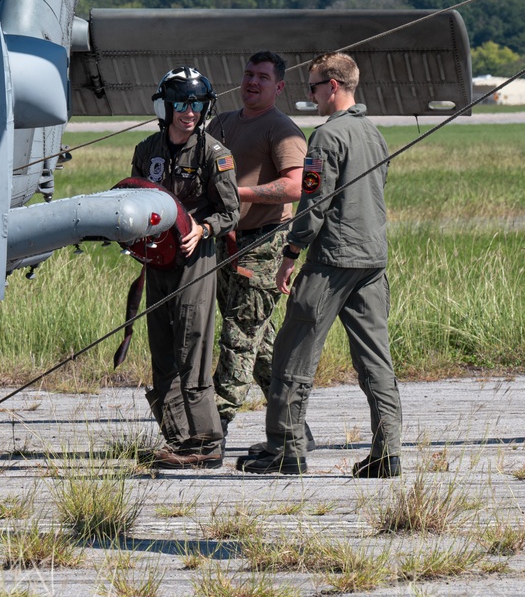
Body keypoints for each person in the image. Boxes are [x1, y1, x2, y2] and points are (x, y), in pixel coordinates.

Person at [237, 52, 403, 477]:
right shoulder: (373, 133)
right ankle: (388, 453)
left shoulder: (325, 139)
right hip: (372, 260)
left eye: (312, 88)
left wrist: (290, 255)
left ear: (332, 86)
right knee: (375, 361)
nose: (310, 97)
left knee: (292, 356)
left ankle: (286, 450)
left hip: (331, 261)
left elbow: (313, 204)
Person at [131, 66, 240, 469]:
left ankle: (208, 441)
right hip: (156, 260)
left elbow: (231, 210)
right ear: (167, 107)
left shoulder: (215, 154)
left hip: (196, 259)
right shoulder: (147, 150)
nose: (188, 112)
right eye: (181, 104)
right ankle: (179, 441)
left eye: (195, 104)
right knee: (162, 350)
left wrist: (204, 226)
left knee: (192, 348)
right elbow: (135, 195)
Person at [205, 51, 312, 447]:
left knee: (239, 337)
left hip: (263, 246)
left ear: (278, 86)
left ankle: (212, 433)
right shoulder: (222, 124)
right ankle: (294, 432)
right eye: (248, 74)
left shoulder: (282, 131)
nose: (252, 82)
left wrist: (239, 194)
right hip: (225, 243)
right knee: (262, 350)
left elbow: (297, 186)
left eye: (262, 77)